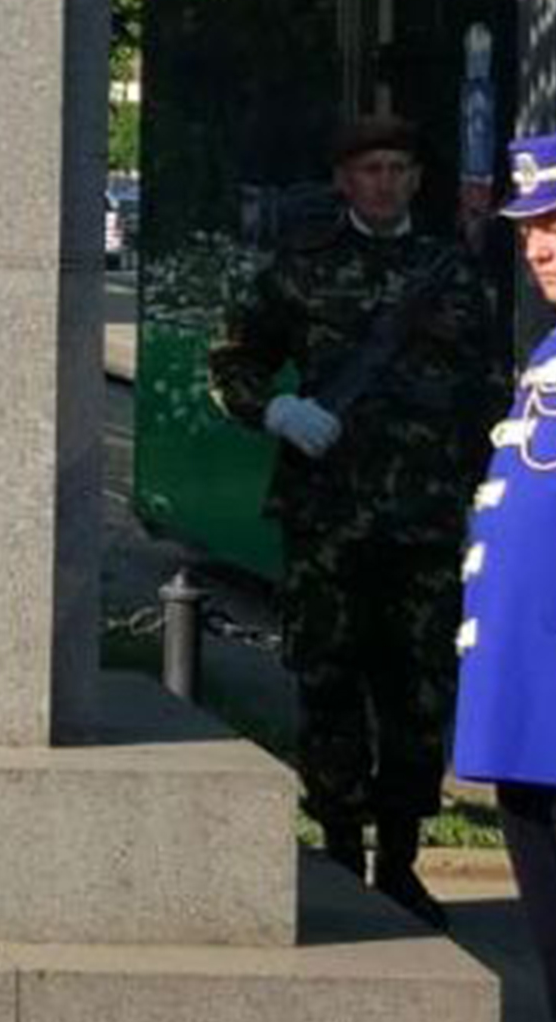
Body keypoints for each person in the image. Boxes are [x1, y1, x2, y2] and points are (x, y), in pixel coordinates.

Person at [209, 113, 498, 929]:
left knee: (416, 696)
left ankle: (399, 862)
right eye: (369, 168)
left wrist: (483, 494)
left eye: (397, 168)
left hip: (424, 525)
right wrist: (277, 410)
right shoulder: (298, 271)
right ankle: (339, 854)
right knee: (330, 687)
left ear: (415, 180)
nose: (383, 182)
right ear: (343, 181)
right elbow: (230, 361)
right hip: (328, 523)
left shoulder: (450, 273)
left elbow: (482, 387)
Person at [455, 131, 556, 1018]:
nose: (538, 247)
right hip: (530, 708)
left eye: (555, 225)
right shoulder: (546, 354)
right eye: (529, 229)